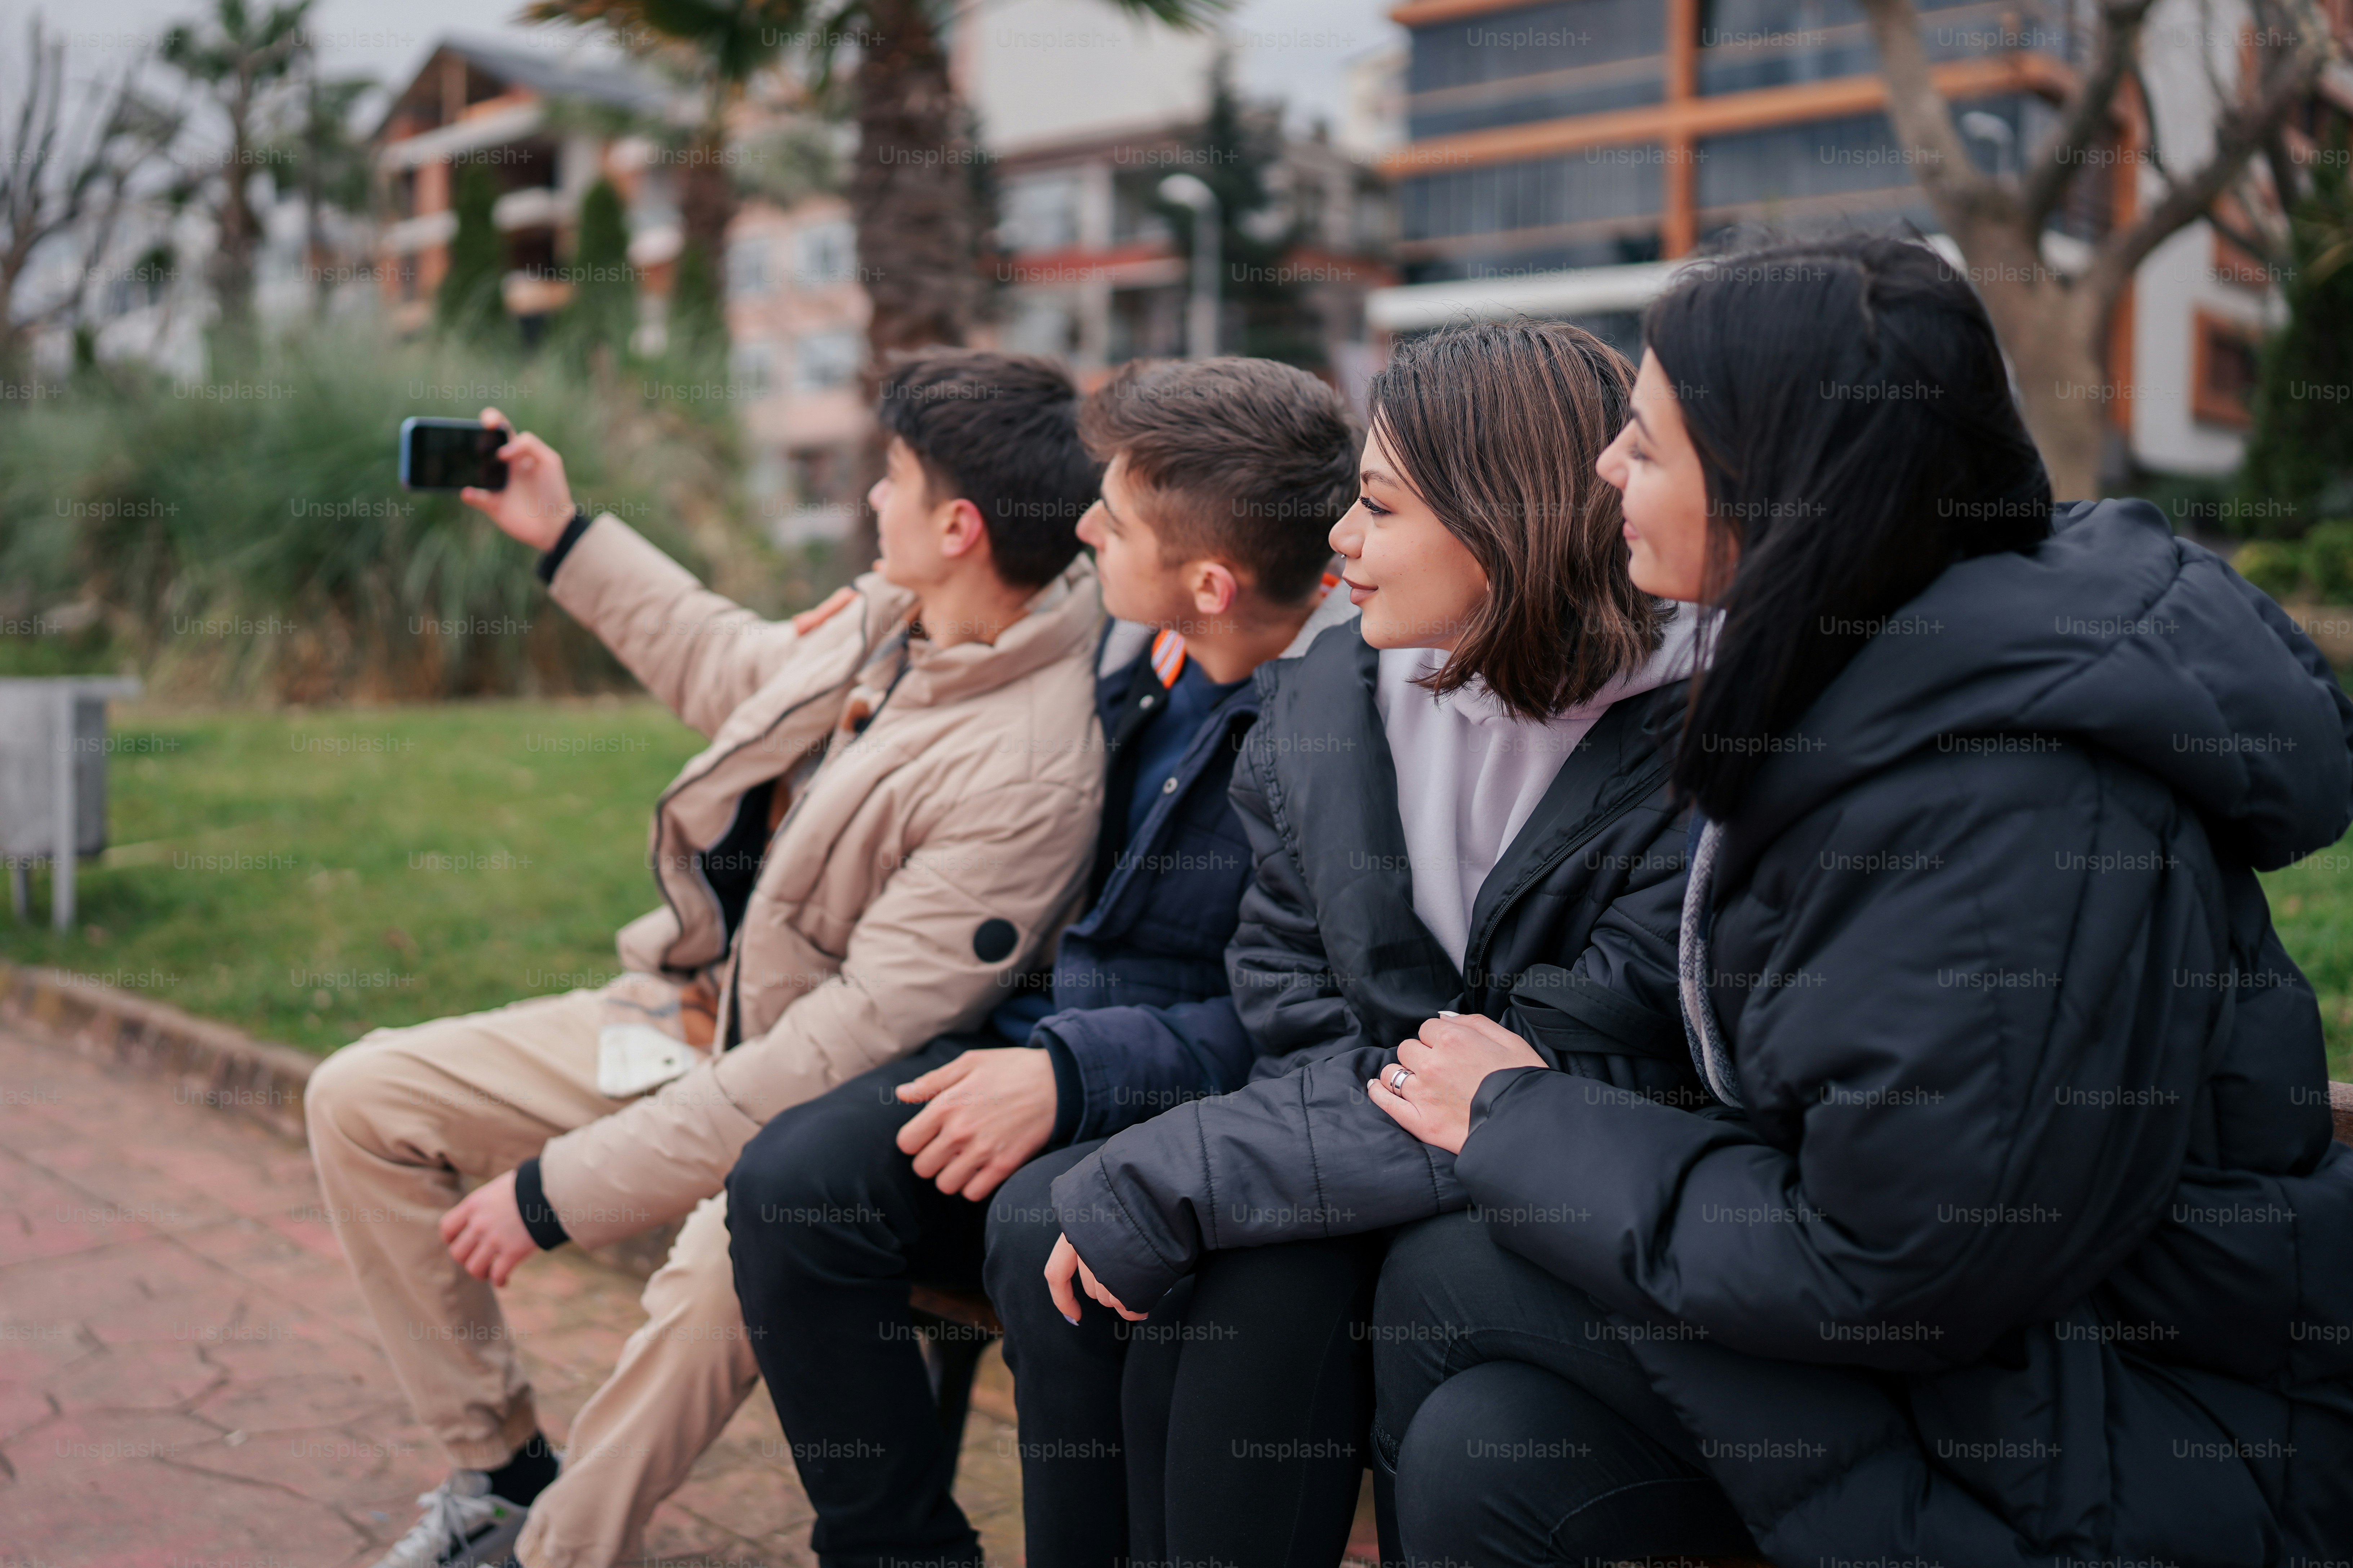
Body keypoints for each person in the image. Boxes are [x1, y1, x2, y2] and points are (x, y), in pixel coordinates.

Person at [1365, 233, 2353, 1563]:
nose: (1606, 466)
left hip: (2122, 1418)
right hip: (2010, 1351)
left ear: (1784, 478)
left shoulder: (2000, 803)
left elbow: (1893, 1271)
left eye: (1647, 446)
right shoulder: (1897, 675)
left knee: (1450, 1281)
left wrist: (1523, 1117)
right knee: (1489, 1450)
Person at [303, 349, 1109, 1568]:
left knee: (725, 1260)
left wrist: (549, 1195)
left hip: (806, 1103)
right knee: (361, 1098)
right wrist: (565, 533)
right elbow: (734, 671)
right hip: (687, 1016)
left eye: (888, 478)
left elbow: (837, 1049)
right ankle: (500, 1470)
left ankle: (551, 1552)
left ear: (959, 524)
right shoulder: (899, 617)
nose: (870, 501)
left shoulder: (1028, 765)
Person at [998, 320, 1713, 1568]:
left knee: (1253, 1282)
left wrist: (1203, 1172)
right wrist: (1251, 1170)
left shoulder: (1694, 746)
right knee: (1160, 1254)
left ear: (1504, 518)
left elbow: (1588, 1055)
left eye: (1375, 507)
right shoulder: (1324, 702)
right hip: (1347, 1131)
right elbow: (1282, 986)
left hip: (1564, 1186)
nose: (1338, 539)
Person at [720, 355, 1362, 1568]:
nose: (1080, 529)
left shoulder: (1326, 733)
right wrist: (874, 608)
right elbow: (973, 585)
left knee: (1045, 1226)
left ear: (1210, 584)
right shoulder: (1134, 643)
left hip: (1161, 1092)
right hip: (1037, 1043)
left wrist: (1072, 1078)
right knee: (792, 1183)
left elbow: (1304, 1017)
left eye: (1110, 521)